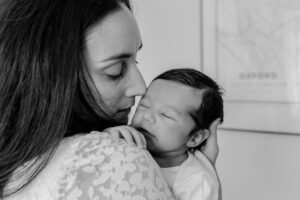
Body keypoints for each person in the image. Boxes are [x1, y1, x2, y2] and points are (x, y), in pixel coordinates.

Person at [0, 0, 220, 199]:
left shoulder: (22, 159)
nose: (141, 87)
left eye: (137, 61)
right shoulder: (116, 159)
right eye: (115, 70)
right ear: (51, 76)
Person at [105, 68, 224, 200]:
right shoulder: (127, 140)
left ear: (195, 137)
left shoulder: (196, 183)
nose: (147, 116)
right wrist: (107, 135)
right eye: (144, 106)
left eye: (166, 115)